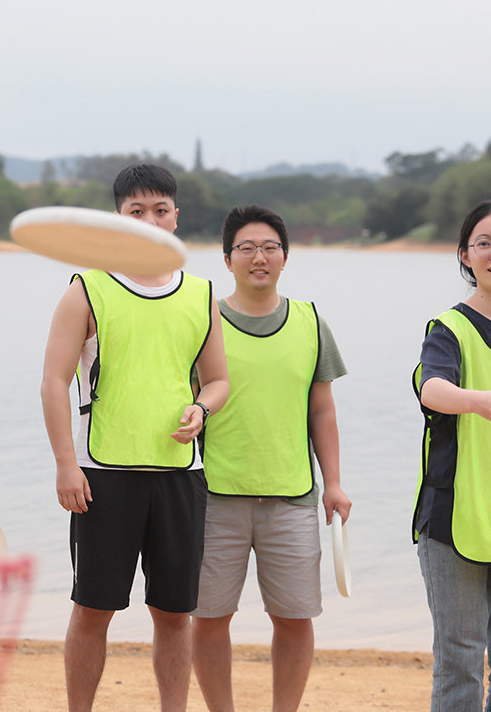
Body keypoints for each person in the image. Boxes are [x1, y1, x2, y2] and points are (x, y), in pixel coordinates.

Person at [40, 163, 229, 712]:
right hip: (102, 475)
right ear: (118, 219)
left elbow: (217, 381)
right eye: (136, 211)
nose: (149, 219)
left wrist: (200, 408)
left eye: (160, 209)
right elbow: (53, 380)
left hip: (180, 476)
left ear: (176, 217)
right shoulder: (88, 289)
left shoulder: (201, 295)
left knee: (174, 613)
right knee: (94, 608)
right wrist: (64, 464)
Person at [191, 204, 351, 712]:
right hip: (214, 495)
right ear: (226, 259)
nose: (259, 257)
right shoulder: (202, 319)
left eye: (270, 248)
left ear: (285, 257)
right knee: (210, 617)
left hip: (292, 497)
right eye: (246, 248)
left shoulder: (308, 319)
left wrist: (335, 483)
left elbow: (321, 410)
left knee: (295, 618)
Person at [413, 198, 491, 712]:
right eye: (485, 243)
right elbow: (431, 387)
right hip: (454, 519)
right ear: (464, 255)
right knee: (459, 662)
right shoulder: (448, 328)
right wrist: (476, 400)